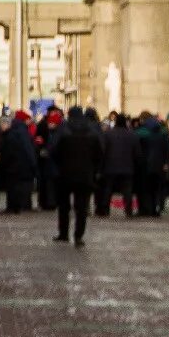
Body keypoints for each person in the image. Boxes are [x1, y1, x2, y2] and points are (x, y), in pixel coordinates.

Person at [54, 102, 103, 243]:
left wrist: (60, 165)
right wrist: (94, 168)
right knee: (81, 207)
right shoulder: (91, 130)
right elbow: (99, 153)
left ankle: (63, 233)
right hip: (85, 174)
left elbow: (54, 150)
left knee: (64, 206)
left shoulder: (63, 129)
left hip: (65, 173)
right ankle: (78, 235)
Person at [0, 110, 37, 215]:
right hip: (20, 164)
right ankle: (19, 205)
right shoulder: (22, 131)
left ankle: (15, 206)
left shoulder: (13, 132)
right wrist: (33, 163)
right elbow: (28, 149)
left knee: (14, 186)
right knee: (18, 186)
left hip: (14, 164)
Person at [102, 112, 138, 217]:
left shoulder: (108, 134)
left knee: (108, 189)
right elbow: (137, 153)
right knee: (127, 190)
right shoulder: (132, 135)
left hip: (110, 166)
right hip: (127, 167)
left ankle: (105, 209)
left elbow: (103, 151)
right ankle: (128, 210)